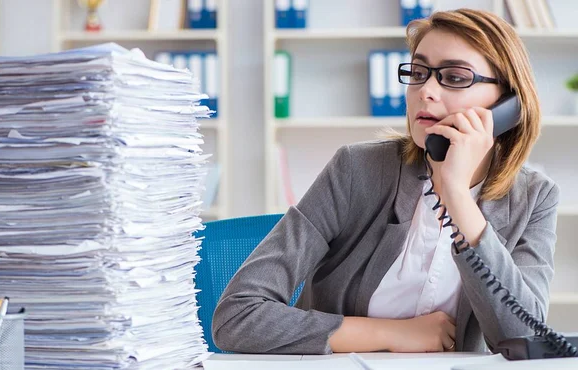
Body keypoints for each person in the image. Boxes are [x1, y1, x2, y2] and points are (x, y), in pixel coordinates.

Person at [212, 8, 558, 355]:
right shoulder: (357, 170)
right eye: (419, 72)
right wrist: (391, 334)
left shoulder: (534, 199)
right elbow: (236, 316)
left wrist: (456, 195)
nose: (426, 91)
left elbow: (524, 341)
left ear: (508, 102)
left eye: (454, 77)